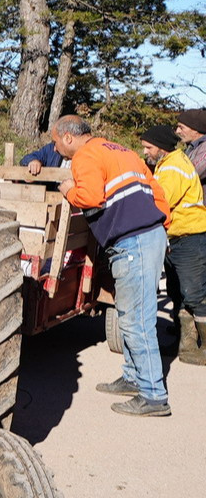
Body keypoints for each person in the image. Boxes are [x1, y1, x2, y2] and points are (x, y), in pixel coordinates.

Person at [54, 115, 171, 416]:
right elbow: (157, 192)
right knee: (131, 314)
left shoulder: (85, 156)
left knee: (136, 320)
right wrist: (160, 227)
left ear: (68, 137)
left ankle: (153, 395)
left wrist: (68, 189)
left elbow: (90, 197)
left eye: (55, 142)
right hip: (147, 236)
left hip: (133, 241)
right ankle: (133, 377)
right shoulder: (121, 150)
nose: (55, 149)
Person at [139, 125, 206, 365]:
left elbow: (160, 203)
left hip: (189, 237)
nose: (145, 151)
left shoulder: (173, 168)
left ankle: (202, 348)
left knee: (195, 295)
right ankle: (185, 344)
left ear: (161, 147)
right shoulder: (167, 163)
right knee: (177, 292)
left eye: (148, 147)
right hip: (178, 236)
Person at [174, 109, 206, 182]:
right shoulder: (192, 147)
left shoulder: (204, 149)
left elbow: (188, 174)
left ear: (196, 130)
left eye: (181, 127)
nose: (177, 131)